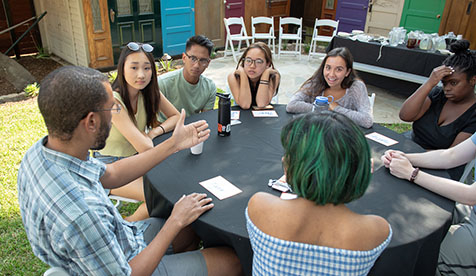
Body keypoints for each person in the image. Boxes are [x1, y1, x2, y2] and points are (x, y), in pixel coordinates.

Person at [17, 66, 242, 275]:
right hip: (127, 267)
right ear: (91, 122)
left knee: (192, 229)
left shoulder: (42, 152)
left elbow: (112, 174)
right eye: (112, 107)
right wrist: (174, 221)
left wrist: (173, 143)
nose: (115, 112)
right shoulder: (82, 215)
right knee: (233, 261)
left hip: (120, 241)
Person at [246, 111, 391, 275]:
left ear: (293, 166)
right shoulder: (377, 230)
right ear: (360, 170)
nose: (283, 159)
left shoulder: (260, 206)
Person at [95, 42, 180, 222]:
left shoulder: (149, 92)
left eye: (147, 68)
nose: (141, 75)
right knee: (163, 196)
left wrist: (153, 133)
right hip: (109, 169)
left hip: (135, 160)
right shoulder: (114, 102)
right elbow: (145, 148)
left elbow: (176, 117)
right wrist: (147, 139)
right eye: (134, 67)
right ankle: (127, 226)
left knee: (178, 185)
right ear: (122, 69)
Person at [381, 132, 476, 276]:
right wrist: (404, 157)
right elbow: (452, 156)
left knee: (421, 257)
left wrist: (412, 174)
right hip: (470, 209)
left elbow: (470, 196)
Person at [399, 40, 476, 180]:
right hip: (410, 149)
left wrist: (409, 158)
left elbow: (451, 155)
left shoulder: (473, 114)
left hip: (441, 167)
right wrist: (430, 83)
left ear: (473, 80)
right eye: (444, 83)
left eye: (454, 83)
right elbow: (405, 115)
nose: (447, 88)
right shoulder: (438, 95)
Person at [286, 47, 373, 128]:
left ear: (347, 72)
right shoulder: (316, 82)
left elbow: (367, 120)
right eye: (328, 68)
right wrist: (323, 109)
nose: (331, 74)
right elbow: (291, 105)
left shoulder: (356, 87)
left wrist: (336, 108)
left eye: (338, 69)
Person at [158, 35, 216, 119]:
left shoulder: (209, 87)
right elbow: (152, 120)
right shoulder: (163, 83)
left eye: (203, 60)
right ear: (184, 58)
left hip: (193, 129)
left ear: (208, 63)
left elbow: (206, 119)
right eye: (193, 58)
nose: (196, 65)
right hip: (165, 130)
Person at [227, 42, 280, 109]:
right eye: (248, 60)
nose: (252, 66)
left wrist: (265, 75)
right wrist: (243, 74)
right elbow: (245, 105)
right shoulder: (234, 77)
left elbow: (261, 104)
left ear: (267, 64)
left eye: (258, 62)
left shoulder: (273, 76)